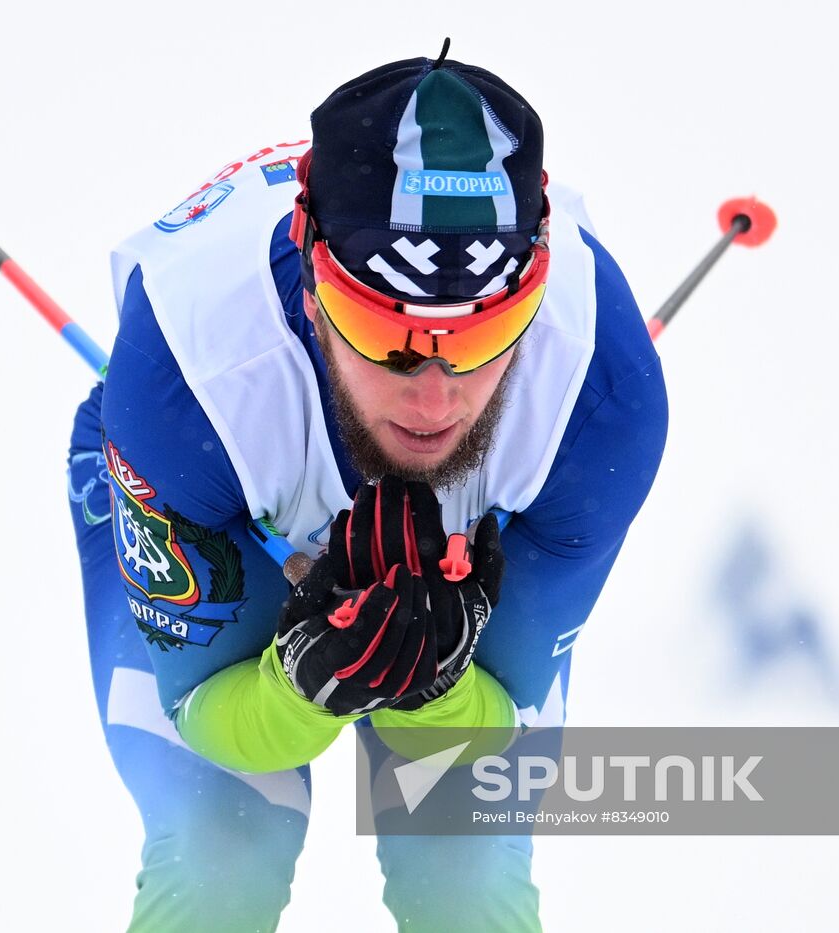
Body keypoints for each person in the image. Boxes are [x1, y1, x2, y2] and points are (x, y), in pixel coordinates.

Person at [66, 45, 668, 933]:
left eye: (485, 335)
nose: (437, 397)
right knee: (218, 855)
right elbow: (201, 708)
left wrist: (435, 685)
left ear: (535, 306)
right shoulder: (185, 384)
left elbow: (484, 752)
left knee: (464, 872)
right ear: (312, 292)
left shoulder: (597, 402)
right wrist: (300, 689)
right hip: (209, 477)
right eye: (382, 333)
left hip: (456, 507)